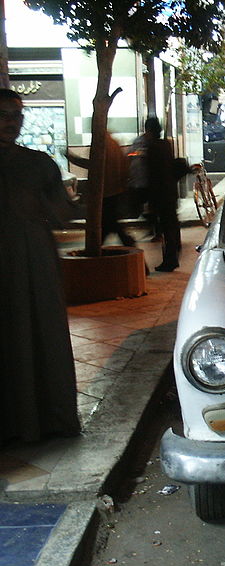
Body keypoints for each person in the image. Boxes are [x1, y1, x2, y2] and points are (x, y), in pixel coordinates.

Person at [0, 88, 81, 443]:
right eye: (4, 114)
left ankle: (46, 420)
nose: (11, 123)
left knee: (37, 334)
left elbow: (62, 214)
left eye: (17, 115)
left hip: (33, 267)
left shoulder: (37, 164)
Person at [66, 130, 136, 247]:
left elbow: (94, 165)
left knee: (108, 224)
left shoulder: (102, 146)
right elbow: (124, 166)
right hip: (115, 191)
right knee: (110, 224)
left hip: (106, 193)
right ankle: (127, 247)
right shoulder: (114, 144)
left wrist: (73, 158)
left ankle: (95, 252)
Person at [142, 117, 182, 272]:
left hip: (161, 194)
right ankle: (172, 256)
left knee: (167, 227)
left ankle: (170, 259)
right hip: (170, 191)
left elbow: (153, 175)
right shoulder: (166, 145)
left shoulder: (152, 148)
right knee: (171, 225)